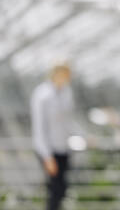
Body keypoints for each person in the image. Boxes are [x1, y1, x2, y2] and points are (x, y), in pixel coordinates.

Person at [30, 63, 78, 210]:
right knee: (54, 190)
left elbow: (68, 121)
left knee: (61, 189)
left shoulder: (67, 92)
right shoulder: (42, 94)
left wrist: (83, 136)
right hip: (49, 150)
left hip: (63, 148)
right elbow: (39, 128)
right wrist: (47, 156)